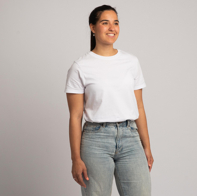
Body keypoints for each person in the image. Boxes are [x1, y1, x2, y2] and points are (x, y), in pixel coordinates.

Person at [64, 4, 153, 196]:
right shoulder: (80, 67)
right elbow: (75, 116)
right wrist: (75, 158)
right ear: (92, 27)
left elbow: (139, 106)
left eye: (116, 23)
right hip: (95, 140)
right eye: (105, 23)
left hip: (130, 138)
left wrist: (146, 146)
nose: (112, 28)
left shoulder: (131, 62)